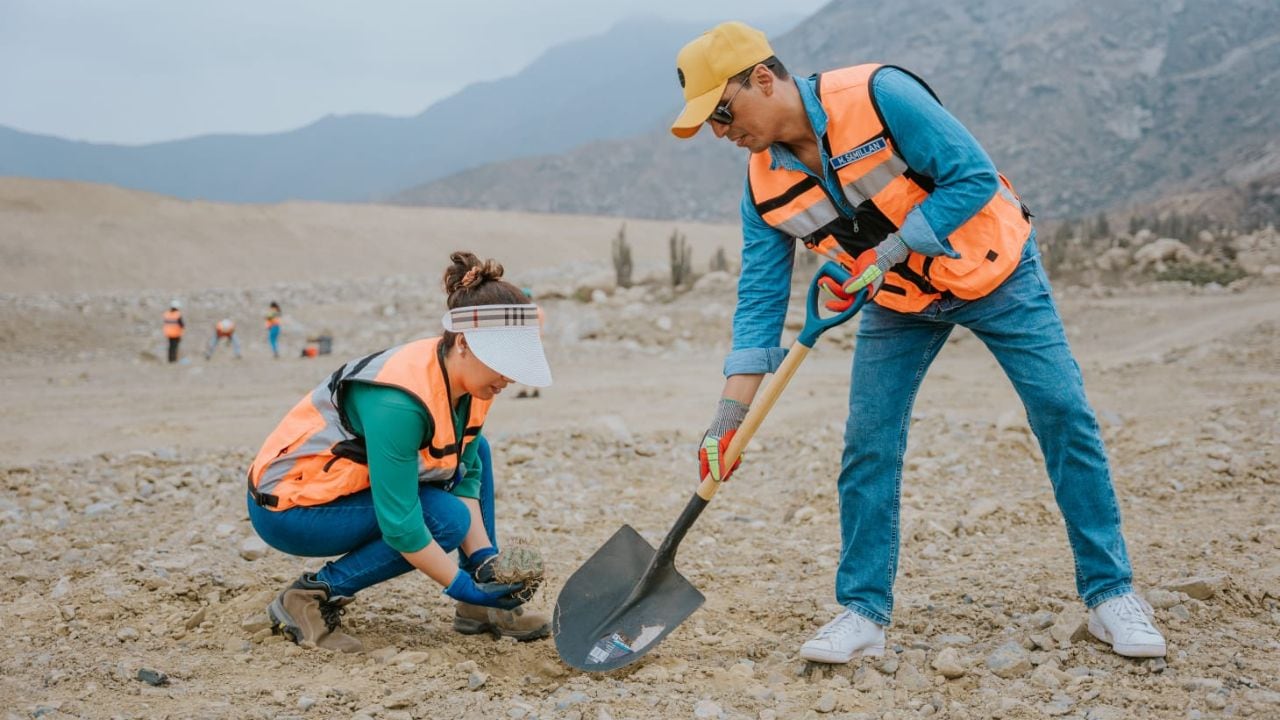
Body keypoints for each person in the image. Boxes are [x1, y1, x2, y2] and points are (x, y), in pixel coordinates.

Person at [669, 21, 1166, 662]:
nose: (720, 131)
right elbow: (760, 302)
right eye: (708, 122)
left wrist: (893, 249)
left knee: (1062, 413)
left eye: (723, 111)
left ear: (763, 78)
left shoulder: (878, 94)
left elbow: (972, 175)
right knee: (868, 443)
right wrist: (727, 418)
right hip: (899, 301)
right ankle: (862, 611)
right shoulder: (761, 183)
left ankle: (1110, 594)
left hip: (994, 269)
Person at [246, 252, 554, 652]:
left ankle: (481, 610)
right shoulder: (398, 402)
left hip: (343, 493)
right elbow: (402, 525)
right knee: (443, 519)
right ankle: (308, 598)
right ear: (463, 342)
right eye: (504, 363)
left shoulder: (473, 380)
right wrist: (461, 585)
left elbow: (468, 473)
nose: (510, 376)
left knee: (481, 455)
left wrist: (484, 568)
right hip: (291, 508)